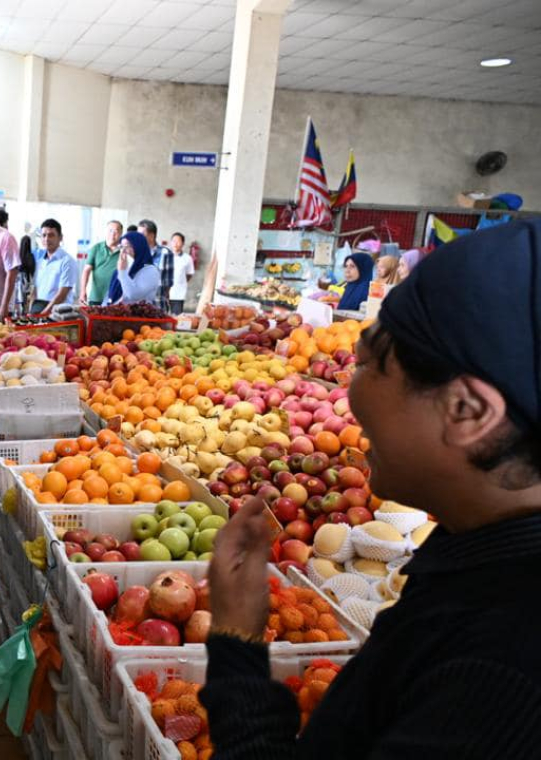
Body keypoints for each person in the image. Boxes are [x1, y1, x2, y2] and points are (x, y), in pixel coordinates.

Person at [203, 217, 541, 757]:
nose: (349, 393)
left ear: (467, 410)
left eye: (367, 362)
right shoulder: (474, 552)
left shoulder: (500, 672)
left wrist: (237, 649)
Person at [31, 218, 78, 316]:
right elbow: (35, 290)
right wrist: (32, 310)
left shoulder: (67, 261)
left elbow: (62, 294)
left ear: (60, 238)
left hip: (58, 313)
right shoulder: (40, 261)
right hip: (39, 308)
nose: (46, 239)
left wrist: (44, 313)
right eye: (44, 235)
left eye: (51, 235)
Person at [105, 231, 160, 305]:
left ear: (138, 247)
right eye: (121, 246)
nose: (123, 250)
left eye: (127, 246)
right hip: (116, 314)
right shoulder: (124, 268)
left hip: (138, 315)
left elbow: (133, 295)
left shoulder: (151, 271)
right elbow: (109, 297)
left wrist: (122, 272)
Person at [80, 219, 124, 306]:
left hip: (116, 298)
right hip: (96, 297)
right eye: (110, 230)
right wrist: (83, 291)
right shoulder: (96, 248)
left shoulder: (124, 251)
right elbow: (86, 270)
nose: (113, 233)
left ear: (121, 233)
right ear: (106, 232)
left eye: (116, 231)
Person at [138, 219, 174, 309]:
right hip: (137, 306)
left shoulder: (165, 253)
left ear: (151, 235)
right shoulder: (135, 253)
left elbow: (168, 283)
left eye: (141, 234)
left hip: (157, 306)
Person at [168, 232, 195, 314]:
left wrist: (180, 282)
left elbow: (189, 274)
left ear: (183, 243)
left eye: (178, 241)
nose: (175, 243)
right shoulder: (165, 256)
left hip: (178, 293)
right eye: (173, 241)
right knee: (162, 316)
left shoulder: (187, 258)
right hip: (164, 293)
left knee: (177, 317)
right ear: (170, 242)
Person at [14, 234, 37, 316]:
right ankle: (25, 316)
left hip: (18, 281)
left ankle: (18, 316)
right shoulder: (31, 256)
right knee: (27, 302)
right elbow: (33, 270)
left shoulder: (18, 255)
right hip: (27, 281)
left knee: (19, 301)